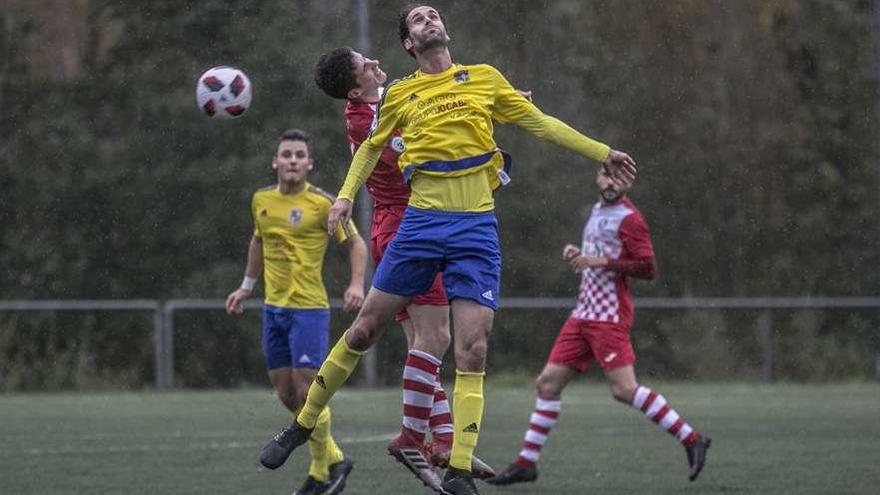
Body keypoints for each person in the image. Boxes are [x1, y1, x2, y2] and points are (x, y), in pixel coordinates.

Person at [260, 5, 636, 495]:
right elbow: (372, 147)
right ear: (409, 45)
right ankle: (304, 424)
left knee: (472, 350)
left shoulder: (483, 78)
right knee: (365, 330)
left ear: (444, 31)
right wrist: (347, 196)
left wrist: (602, 150)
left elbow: (542, 124)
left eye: (432, 13)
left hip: (475, 230)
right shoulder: (399, 93)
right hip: (417, 226)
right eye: (417, 19)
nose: (428, 18)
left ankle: (457, 468)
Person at [312, 47, 495, 490]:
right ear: (355, 89)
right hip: (409, 227)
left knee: (424, 343)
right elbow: (425, 148)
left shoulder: (380, 102)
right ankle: (420, 441)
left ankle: (443, 442)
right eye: (364, 65)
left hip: (405, 225)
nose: (375, 62)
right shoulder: (366, 119)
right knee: (435, 339)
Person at [486, 169, 711, 486]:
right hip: (583, 314)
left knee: (623, 390)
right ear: (596, 178)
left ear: (628, 182)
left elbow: (648, 268)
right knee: (547, 384)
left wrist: (601, 263)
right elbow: (597, 257)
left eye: (617, 179)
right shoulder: (596, 210)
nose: (610, 183)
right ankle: (526, 463)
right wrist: (579, 256)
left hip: (608, 317)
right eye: (605, 176)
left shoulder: (630, 219)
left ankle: (692, 438)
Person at [226, 129, 366, 495]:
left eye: (299, 155)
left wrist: (355, 285)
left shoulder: (323, 204)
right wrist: (245, 286)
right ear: (275, 161)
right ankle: (334, 461)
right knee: (287, 393)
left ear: (309, 164)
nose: (292, 160)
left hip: (309, 309)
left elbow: (356, 244)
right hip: (275, 309)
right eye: (286, 154)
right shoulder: (261, 200)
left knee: (307, 388)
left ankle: (323, 471)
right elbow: (258, 241)